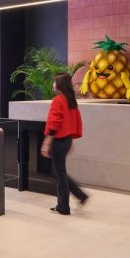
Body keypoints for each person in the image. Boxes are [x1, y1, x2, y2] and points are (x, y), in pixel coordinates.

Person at [41, 72, 88, 215]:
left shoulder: (58, 100)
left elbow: (54, 123)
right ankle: (80, 196)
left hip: (58, 141)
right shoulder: (70, 100)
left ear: (59, 85)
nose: (53, 84)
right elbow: (73, 122)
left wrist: (46, 142)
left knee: (59, 173)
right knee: (59, 172)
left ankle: (64, 206)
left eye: (54, 81)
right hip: (66, 140)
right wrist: (70, 141)